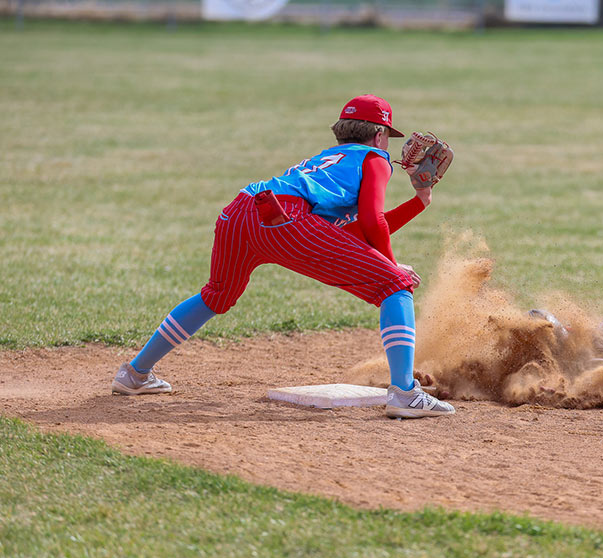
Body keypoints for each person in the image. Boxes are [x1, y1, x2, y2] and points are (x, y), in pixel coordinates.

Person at [112, 94, 455, 419]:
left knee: (217, 294)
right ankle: (405, 393)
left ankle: (135, 374)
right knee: (395, 284)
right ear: (379, 134)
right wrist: (390, 265)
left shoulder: (324, 162)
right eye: (387, 136)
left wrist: (419, 200)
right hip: (285, 219)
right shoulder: (374, 159)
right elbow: (370, 220)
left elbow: (344, 237)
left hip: (240, 210)